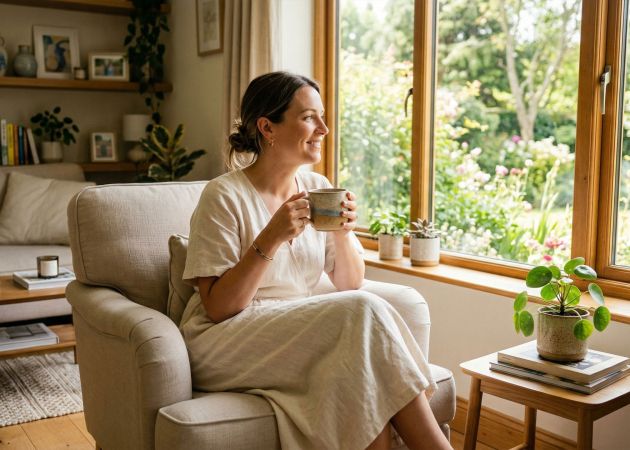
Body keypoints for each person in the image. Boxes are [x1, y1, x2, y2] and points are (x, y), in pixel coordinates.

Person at [179, 71, 452, 450]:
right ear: (267, 127)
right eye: (309, 117)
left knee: (360, 366)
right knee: (362, 311)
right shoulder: (223, 196)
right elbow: (219, 308)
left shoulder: (318, 188)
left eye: (322, 117)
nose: (323, 128)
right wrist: (271, 236)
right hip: (224, 339)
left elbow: (349, 284)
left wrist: (342, 231)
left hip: (296, 327)